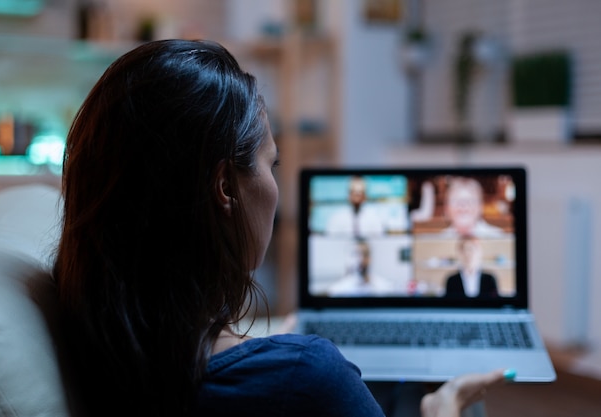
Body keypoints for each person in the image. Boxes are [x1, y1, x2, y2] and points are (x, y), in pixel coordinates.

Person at [53, 39, 511, 417]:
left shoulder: (88, 336)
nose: (276, 186)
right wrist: (443, 408)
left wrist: (267, 341)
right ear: (225, 186)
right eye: (272, 163)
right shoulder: (307, 376)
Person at [327, 238, 394, 296]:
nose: (361, 260)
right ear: (347, 259)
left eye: (365, 254)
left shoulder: (385, 288)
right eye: (356, 254)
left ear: (370, 258)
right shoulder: (337, 291)